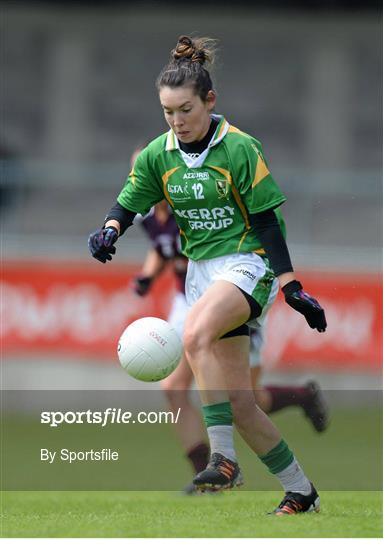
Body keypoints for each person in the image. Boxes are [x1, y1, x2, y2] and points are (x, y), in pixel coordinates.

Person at [88, 36, 327, 515]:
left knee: (194, 332)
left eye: (185, 109)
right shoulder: (161, 153)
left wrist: (291, 284)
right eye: (168, 112)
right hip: (202, 271)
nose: (177, 121)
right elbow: (132, 198)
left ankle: (223, 461)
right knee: (243, 405)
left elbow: (264, 219)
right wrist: (109, 228)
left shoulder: (240, 148)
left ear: (209, 101)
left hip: (247, 262)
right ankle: (302, 492)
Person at [132, 199, 328, 495]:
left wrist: (289, 285)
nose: (138, 181)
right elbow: (162, 247)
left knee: (247, 402)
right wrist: (148, 274)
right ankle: (208, 473)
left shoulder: (191, 203)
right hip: (188, 300)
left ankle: (301, 398)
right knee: (175, 388)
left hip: (233, 292)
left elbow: (262, 223)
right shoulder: (148, 216)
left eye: (143, 173)